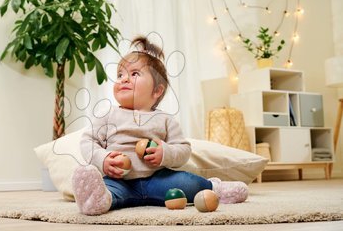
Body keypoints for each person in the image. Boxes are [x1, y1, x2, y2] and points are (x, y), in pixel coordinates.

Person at [72, 36, 248, 215]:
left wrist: (165, 153)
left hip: (157, 180)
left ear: (157, 91)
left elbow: (184, 150)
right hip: (119, 180)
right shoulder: (108, 115)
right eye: (120, 74)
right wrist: (103, 159)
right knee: (108, 189)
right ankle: (98, 199)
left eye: (134, 74)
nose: (124, 79)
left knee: (186, 182)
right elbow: (88, 141)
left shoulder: (164, 120)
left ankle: (215, 188)